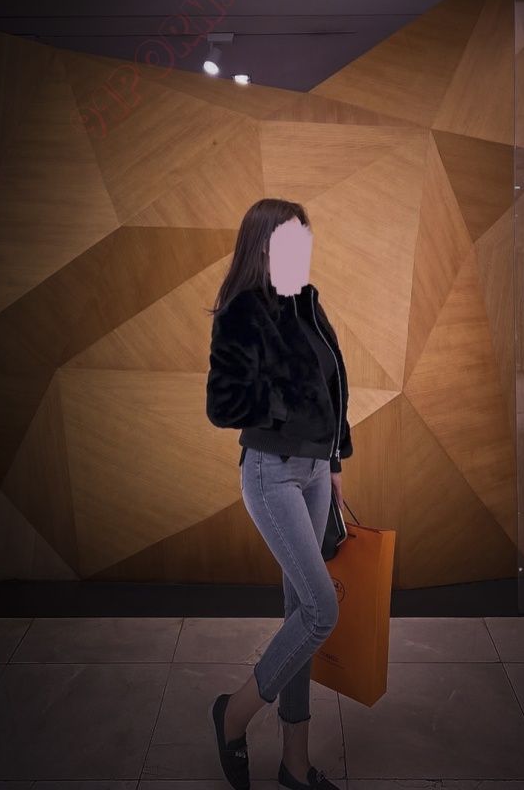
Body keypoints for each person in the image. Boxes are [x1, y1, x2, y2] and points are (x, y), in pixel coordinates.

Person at [205, 198, 353, 790]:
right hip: (272, 474)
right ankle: (233, 715)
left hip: (315, 472)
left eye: (306, 241)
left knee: (299, 614)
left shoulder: (306, 301)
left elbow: (334, 386)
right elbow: (224, 405)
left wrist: (334, 457)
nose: (303, 252)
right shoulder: (243, 311)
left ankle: (295, 763)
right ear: (263, 246)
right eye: (293, 242)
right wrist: (289, 412)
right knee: (321, 611)